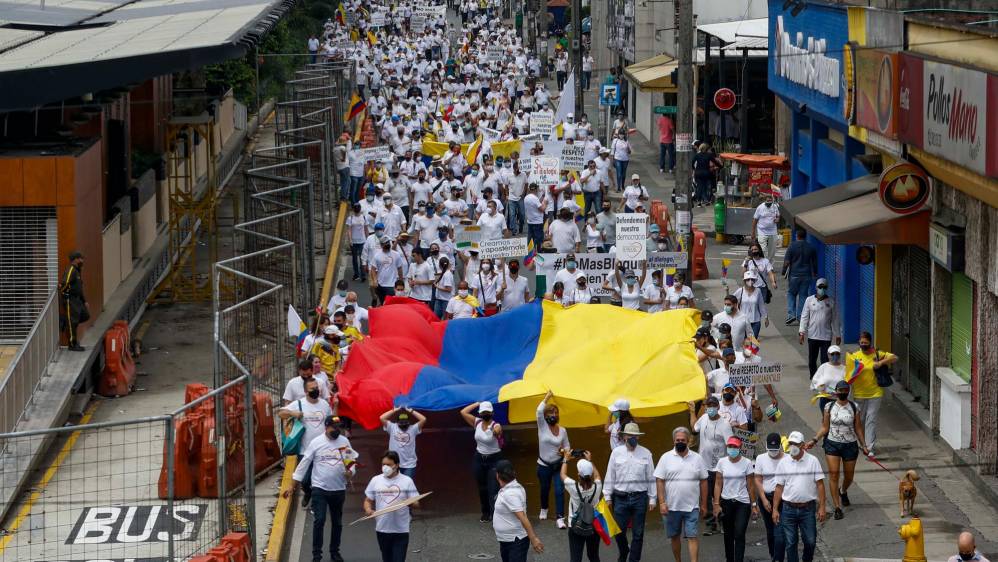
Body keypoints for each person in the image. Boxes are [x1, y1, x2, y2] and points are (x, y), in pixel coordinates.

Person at [289, 415, 356, 562]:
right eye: (334, 427)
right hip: (320, 489)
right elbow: (304, 463)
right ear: (326, 427)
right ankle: (316, 555)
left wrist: (350, 472)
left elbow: (351, 463)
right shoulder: (316, 443)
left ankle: (334, 552)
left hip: (338, 489)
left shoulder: (345, 442)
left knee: (337, 523)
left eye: (339, 427)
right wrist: (292, 485)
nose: (337, 430)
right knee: (319, 521)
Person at [807, 380, 868, 520]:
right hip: (832, 444)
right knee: (834, 475)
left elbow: (858, 428)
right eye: (840, 390)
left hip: (850, 444)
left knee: (849, 476)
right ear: (836, 391)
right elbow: (825, 427)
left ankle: (843, 490)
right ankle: (837, 507)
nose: (843, 393)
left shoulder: (854, 407)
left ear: (848, 391)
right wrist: (814, 440)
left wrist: (864, 445)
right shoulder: (829, 406)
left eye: (845, 390)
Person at [772, 431, 827, 562]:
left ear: (802, 445)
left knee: (810, 541)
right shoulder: (783, 463)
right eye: (790, 443)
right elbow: (779, 487)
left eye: (795, 444)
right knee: (790, 544)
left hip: (807, 509)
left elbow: (820, 485)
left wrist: (822, 507)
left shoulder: (813, 461)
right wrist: (775, 509)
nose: (792, 446)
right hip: (788, 509)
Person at [655, 426, 708, 562]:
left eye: (683, 440)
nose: (680, 442)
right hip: (671, 507)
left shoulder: (697, 458)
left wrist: (703, 504)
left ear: (688, 440)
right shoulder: (665, 458)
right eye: (677, 440)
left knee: (692, 536)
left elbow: (703, 482)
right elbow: (660, 481)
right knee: (675, 537)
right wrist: (661, 502)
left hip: (692, 507)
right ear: (673, 441)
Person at [605, 422, 656, 562]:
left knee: (638, 534)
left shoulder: (646, 453)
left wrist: (652, 498)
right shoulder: (616, 453)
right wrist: (607, 495)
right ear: (624, 436)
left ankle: (634, 560)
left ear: (638, 437)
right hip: (620, 498)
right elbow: (610, 475)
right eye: (629, 435)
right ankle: (624, 550)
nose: (632, 437)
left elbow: (651, 477)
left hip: (640, 498)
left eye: (635, 435)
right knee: (618, 530)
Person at [277, 377, 332, 507]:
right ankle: (307, 492)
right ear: (306, 391)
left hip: (322, 450)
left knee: (319, 480)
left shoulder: (324, 405)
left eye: (317, 388)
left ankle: (316, 502)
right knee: (306, 480)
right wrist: (293, 413)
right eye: (312, 389)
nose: (316, 390)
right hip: (305, 450)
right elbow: (280, 413)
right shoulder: (299, 404)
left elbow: (330, 421)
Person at [363, 450, 421, 562]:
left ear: (397, 465)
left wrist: (409, 502)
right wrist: (368, 509)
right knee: (387, 559)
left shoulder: (407, 481)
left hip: (401, 530)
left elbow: (417, 503)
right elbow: (368, 500)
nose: (385, 467)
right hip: (382, 529)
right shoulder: (376, 480)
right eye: (383, 464)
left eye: (388, 464)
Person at [845, 331, 897, 456]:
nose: (863, 344)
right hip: (859, 394)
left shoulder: (877, 354)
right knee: (860, 420)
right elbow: (849, 375)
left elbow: (895, 358)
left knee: (871, 420)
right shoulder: (854, 357)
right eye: (861, 342)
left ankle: (870, 447)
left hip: (875, 393)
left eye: (866, 343)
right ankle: (862, 443)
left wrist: (881, 363)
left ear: (870, 343)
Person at [689, 396, 732, 535]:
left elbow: (731, 444)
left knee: (720, 496)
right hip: (704, 466)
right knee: (705, 496)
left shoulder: (725, 424)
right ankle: (710, 524)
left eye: (713, 405)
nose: (711, 408)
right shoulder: (703, 419)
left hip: (719, 467)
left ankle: (724, 522)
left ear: (718, 407)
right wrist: (691, 412)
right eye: (709, 406)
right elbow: (694, 427)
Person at [713, 436, 757, 562]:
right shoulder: (722, 462)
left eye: (735, 447)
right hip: (726, 502)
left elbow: (750, 485)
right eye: (730, 446)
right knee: (728, 534)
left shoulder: (747, 463)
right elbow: (718, 483)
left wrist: (753, 505)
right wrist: (716, 503)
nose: (732, 449)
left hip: (742, 503)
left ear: (740, 447)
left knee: (739, 533)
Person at [493, 459, 544, 561]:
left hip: (515, 542)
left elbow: (523, 517)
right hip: (508, 540)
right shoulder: (512, 487)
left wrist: (533, 539)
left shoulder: (510, 493)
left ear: (497, 475)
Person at [461, 401, 504, 522]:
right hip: (479, 458)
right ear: (480, 413)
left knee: (493, 488)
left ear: (492, 413)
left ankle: (495, 515)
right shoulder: (477, 422)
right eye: (483, 412)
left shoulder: (496, 425)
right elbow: (463, 412)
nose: (485, 414)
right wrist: (477, 403)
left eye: (487, 412)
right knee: (482, 488)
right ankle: (485, 513)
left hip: (494, 460)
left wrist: (496, 431)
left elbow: (498, 430)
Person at [561, 449, 603, 562]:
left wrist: (566, 459)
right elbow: (597, 475)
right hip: (593, 525)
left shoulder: (573, 487)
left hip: (575, 526)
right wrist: (590, 461)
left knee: (576, 558)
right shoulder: (597, 486)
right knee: (593, 556)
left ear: (578, 474)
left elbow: (562, 474)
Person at [536, 391, 570, 527]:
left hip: (557, 465)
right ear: (545, 416)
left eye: (556, 413)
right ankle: (544, 508)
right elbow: (538, 410)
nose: (554, 415)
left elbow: (567, 446)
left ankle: (560, 517)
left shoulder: (562, 430)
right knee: (544, 489)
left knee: (558, 490)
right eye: (550, 413)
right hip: (543, 465)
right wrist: (547, 397)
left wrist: (563, 451)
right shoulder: (542, 426)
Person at [798, 278, 841, 379]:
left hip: (826, 336)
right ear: (816, 287)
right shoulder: (809, 300)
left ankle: (824, 379)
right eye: (820, 287)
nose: (822, 289)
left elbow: (835, 319)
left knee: (824, 360)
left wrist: (838, 335)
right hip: (812, 335)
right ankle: (813, 378)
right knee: (812, 360)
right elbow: (804, 316)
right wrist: (801, 332)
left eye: (824, 287)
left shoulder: (831, 302)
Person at [754, 433, 786, 562]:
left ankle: (778, 558)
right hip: (766, 498)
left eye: (775, 449)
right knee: (770, 531)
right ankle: (774, 555)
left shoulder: (787, 458)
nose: (773, 452)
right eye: (770, 449)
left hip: (782, 500)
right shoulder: (761, 459)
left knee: (780, 532)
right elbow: (758, 479)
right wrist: (763, 498)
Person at [380, 407, 427, 478]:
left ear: (408, 421)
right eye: (401, 421)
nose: (403, 423)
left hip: (409, 465)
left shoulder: (413, 429)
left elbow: (423, 419)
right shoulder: (392, 427)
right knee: (394, 485)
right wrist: (395, 410)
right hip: (394, 463)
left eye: (405, 421)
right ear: (397, 422)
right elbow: (382, 418)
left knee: (406, 487)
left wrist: (410, 410)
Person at [782, 229, 818, 323]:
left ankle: (791, 314)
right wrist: (815, 273)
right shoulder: (811, 247)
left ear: (797, 236)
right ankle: (800, 316)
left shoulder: (792, 246)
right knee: (803, 295)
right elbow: (814, 263)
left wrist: (783, 271)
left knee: (791, 293)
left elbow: (787, 262)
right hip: (806, 275)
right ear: (805, 236)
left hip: (794, 274)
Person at [59, 250, 88, 351]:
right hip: (70, 300)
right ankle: (72, 344)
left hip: (77, 300)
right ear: (75, 259)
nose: (82, 260)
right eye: (80, 258)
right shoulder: (71, 270)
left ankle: (66, 323)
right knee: (72, 322)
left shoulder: (77, 270)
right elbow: (64, 283)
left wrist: (84, 301)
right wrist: (64, 294)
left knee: (85, 315)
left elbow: (79, 287)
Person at [370, 237, 405, 305]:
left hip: (392, 285)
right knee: (382, 303)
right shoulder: (377, 255)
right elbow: (373, 269)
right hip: (380, 284)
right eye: (385, 243)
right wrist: (374, 280)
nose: (387, 244)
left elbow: (400, 268)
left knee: (390, 304)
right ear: (381, 245)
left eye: (388, 242)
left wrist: (401, 281)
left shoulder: (396, 254)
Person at [810, 345, 845, 413]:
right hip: (825, 400)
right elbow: (814, 382)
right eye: (832, 354)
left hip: (840, 400)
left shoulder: (844, 369)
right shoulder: (823, 367)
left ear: (840, 355)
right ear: (828, 355)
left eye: (837, 354)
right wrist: (821, 387)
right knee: (826, 421)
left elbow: (848, 384)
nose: (835, 356)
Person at [734, 271, 768, 337]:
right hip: (743, 321)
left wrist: (766, 317)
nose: (750, 281)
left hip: (756, 320)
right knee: (745, 342)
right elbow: (730, 300)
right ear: (744, 281)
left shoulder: (758, 291)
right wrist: (727, 291)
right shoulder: (740, 291)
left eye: (752, 279)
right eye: (748, 279)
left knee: (753, 343)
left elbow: (761, 305)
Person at [752, 193, 782, 262]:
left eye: (770, 202)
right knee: (762, 249)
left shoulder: (775, 206)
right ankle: (763, 263)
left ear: (772, 201)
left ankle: (769, 264)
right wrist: (753, 232)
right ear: (764, 201)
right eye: (767, 201)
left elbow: (778, 215)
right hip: (762, 231)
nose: (769, 203)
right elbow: (755, 220)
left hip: (773, 231)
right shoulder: (760, 207)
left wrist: (777, 219)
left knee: (772, 250)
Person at [346, 204, 370, 281]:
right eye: (355, 208)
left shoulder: (364, 217)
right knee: (354, 259)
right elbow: (349, 230)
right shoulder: (350, 218)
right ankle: (356, 274)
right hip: (354, 241)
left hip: (362, 241)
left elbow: (366, 229)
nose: (357, 209)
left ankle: (363, 275)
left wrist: (368, 239)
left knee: (362, 258)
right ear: (353, 209)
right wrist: (350, 240)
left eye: (358, 208)